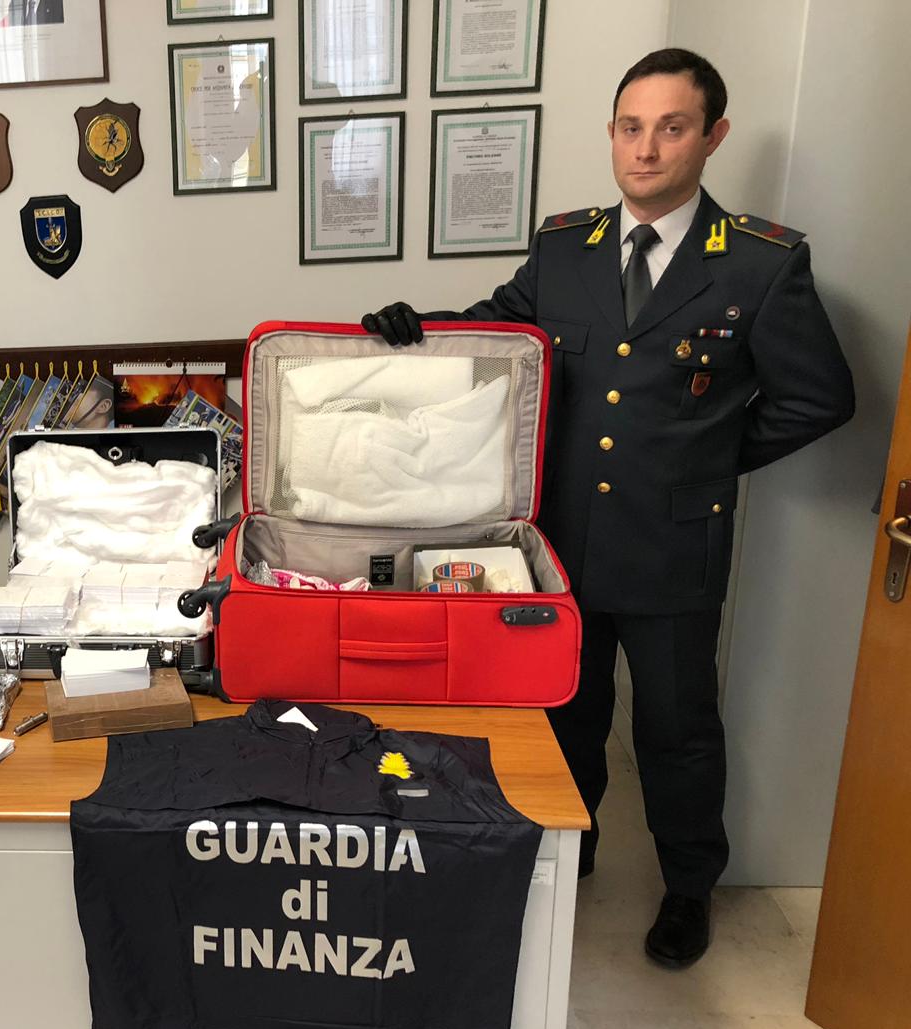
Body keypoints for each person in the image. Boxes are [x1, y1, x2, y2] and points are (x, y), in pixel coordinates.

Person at [362, 49, 853, 968]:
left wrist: (707, 460)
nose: (646, 148)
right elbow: (503, 327)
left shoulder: (758, 264)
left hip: (674, 550)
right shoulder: (567, 246)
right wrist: (417, 325)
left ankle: (689, 886)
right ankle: (572, 844)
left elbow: (820, 397)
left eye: (672, 127)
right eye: (631, 127)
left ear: (712, 136)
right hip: (563, 545)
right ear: (613, 134)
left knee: (676, 731)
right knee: (567, 712)